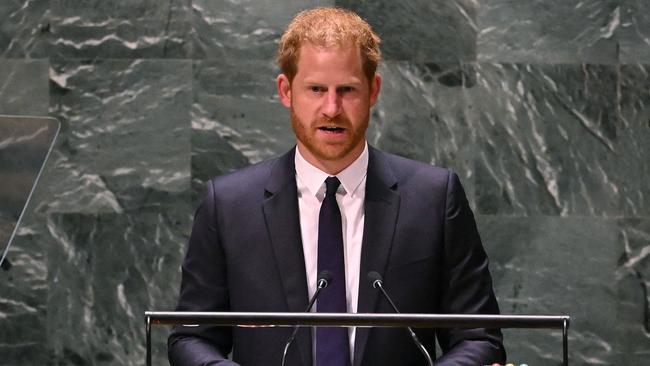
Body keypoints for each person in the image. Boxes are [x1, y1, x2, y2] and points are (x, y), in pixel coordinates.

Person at [168, 7, 506, 366]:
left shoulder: (434, 199)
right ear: (286, 91)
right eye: (316, 89)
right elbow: (191, 336)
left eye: (347, 90)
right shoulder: (230, 205)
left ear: (373, 91)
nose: (332, 108)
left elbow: (479, 337)